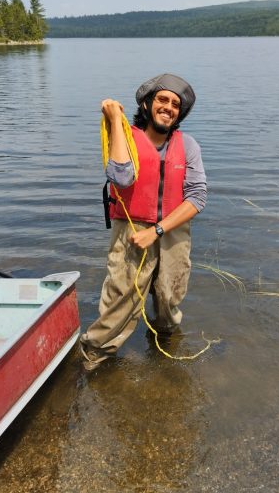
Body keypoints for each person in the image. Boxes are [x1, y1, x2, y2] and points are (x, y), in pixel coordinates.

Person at [80, 73, 207, 370]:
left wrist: (158, 230)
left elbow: (198, 197)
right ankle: (92, 358)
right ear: (148, 105)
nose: (169, 107)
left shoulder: (188, 145)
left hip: (173, 231)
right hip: (131, 230)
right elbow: (122, 176)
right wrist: (113, 120)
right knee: (120, 302)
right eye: (162, 100)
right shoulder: (124, 136)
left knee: (169, 297)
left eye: (175, 104)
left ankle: (163, 343)